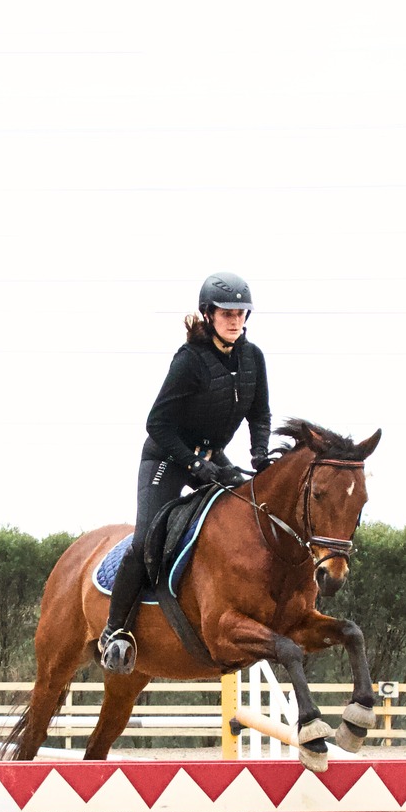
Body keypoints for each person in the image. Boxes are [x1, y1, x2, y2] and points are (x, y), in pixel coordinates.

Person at [97, 271, 272, 675]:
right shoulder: (189, 360)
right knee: (145, 542)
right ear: (209, 314)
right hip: (166, 457)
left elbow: (260, 414)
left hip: (212, 456)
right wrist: (194, 464)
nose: (235, 320)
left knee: (252, 516)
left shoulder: (253, 358)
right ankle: (115, 631)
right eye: (227, 313)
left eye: (241, 313)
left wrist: (260, 454)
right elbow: (156, 423)